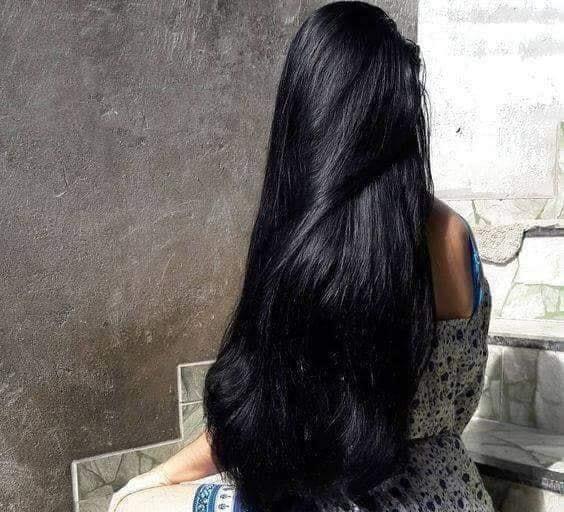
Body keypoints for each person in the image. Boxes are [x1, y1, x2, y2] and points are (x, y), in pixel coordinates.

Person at [109, 2, 495, 511]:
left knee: (136, 506)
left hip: (344, 499)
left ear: (309, 110)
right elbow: (460, 400)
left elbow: (259, 420)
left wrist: (147, 483)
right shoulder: (455, 236)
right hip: (456, 493)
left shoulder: (312, 261)